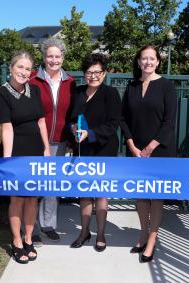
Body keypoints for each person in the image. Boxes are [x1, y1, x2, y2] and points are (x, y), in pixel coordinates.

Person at [120, 45, 177, 263]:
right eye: (144, 58)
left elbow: (169, 122)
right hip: (135, 150)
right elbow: (123, 118)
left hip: (159, 150)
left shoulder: (166, 86)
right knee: (141, 195)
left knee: (156, 196)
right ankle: (143, 233)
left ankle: (152, 239)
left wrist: (151, 147)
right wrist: (132, 145)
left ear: (158, 62)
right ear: (138, 62)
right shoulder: (132, 86)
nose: (148, 62)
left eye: (152, 58)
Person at [0, 50, 50, 264]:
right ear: (11, 68)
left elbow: (41, 122)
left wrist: (46, 150)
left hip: (36, 151)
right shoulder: (2, 93)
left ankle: (29, 239)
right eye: (20, 67)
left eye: (28, 69)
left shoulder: (35, 91)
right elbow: (7, 129)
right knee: (17, 198)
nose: (24, 72)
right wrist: (7, 160)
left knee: (32, 198)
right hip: (16, 153)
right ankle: (16, 241)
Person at [68, 53, 122, 252]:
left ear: (104, 73)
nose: (93, 76)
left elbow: (113, 124)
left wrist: (90, 134)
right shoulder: (79, 92)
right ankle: (84, 232)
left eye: (97, 72)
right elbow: (71, 118)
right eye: (89, 72)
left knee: (100, 193)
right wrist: (73, 128)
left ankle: (100, 233)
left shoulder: (111, 94)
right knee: (84, 193)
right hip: (83, 149)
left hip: (103, 149)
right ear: (84, 74)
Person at [29, 38, 75, 242]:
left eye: (57, 56)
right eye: (50, 56)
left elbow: (73, 112)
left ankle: (48, 224)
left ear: (63, 57)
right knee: (33, 184)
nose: (54, 60)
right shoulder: (32, 80)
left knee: (52, 185)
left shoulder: (70, 82)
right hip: (35, 139)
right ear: (44, 57)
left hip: (60, 140)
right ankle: (30, 227)